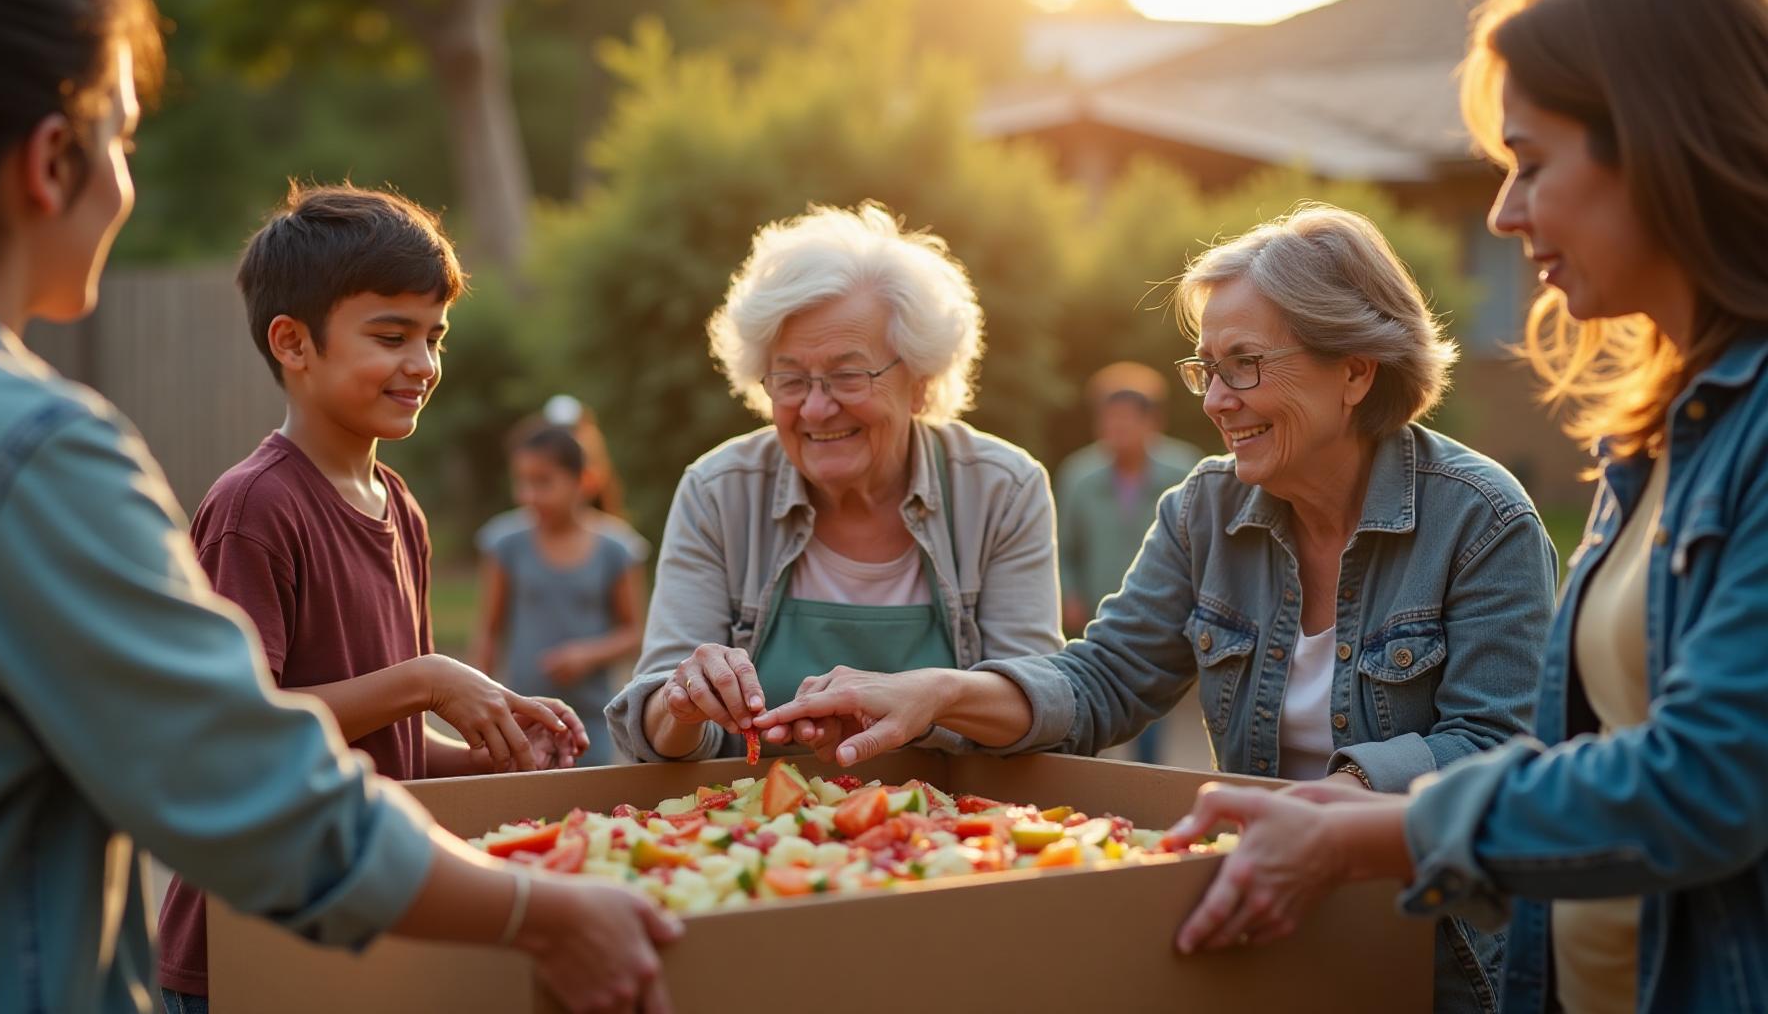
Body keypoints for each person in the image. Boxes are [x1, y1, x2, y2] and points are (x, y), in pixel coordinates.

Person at [0, 0, 677, 1011]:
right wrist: (540, 913)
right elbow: (243, 774)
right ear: (53, 163)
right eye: (126, 139)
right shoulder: (31, 456)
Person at [1153, 0, 1768, 1011]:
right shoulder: (1665, 439)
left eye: (1531, 161)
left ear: (1658, 146)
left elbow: (1706, 783)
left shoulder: (1727, 437)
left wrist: (1366, 832)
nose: (1503, 211)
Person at [756, 204, 1559, 1013]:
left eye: (1244, 365)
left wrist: (1328, 808)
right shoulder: (1201, 511)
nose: (1214, 401)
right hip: (1266, 939)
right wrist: (937, 693)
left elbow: (1496, 748)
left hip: (1439, 962)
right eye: (1205, 367)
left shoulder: (1483, 520)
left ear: (1355, 371)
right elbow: (1103, 680)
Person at [153, 182, 595, 1009]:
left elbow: (378, 749)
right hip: (248, 951)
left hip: (361, 937)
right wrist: (427, 678)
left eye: (435, 337)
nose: (423, 365)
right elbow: (242, 736)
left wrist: (486, 756)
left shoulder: (404, 510)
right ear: (294, 342)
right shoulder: (256, 508)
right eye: (392, 336)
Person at [605, 202, 1062, 763]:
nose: (817, 409)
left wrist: (936, 699)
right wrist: (682, 700)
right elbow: (652, 725)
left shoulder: (1001, 489)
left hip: (950, 831)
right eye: (790, 379)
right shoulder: (718, 491)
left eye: (849, 375)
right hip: (759, 836)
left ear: (919, 381)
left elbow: (1041, 704)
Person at [473, 423, 649, 766]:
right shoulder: (505, 544)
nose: (528, 495)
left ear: (584, 481)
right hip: (520, 724)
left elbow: (636, 634)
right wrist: (483, 709)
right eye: (522, 481)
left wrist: (587, 655)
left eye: (543, 482)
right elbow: (489, 631)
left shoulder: (617, 548)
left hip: (591, 726)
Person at [1055, 362, 1202, 763]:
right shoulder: (1079, 476)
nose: (1117, 428)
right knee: (1088, 705)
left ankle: (1146, 781)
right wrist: (1068, 592)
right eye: (1109, 418)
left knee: (1152, 705)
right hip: (1094, 612)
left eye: (1128, 419)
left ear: (1152, 420)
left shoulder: (1185, 470)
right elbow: (1063, 547)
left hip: (1162, 612)